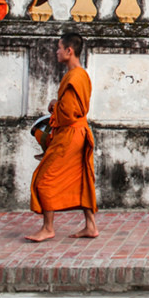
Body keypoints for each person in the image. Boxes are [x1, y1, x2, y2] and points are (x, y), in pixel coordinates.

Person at [26, 32, 98, 242]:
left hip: (70, 135)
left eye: (59, 48)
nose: (56, 52)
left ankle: (48, 227)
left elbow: (69, 113)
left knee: (44, 179)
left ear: (69, 50)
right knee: (81, 177)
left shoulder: (75, 76)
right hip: (78, 134)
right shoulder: (79, 75)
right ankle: (91, 226)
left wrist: (55, 107)